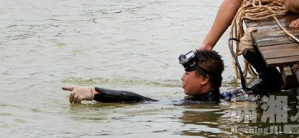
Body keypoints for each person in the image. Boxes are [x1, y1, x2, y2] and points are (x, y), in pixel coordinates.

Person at [62, 50, 228, 104]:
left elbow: (141, 100)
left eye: (187, 73)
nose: (182, 78)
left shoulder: (194, 105)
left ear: (204, 79)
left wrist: (94, 93)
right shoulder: (227, 97)